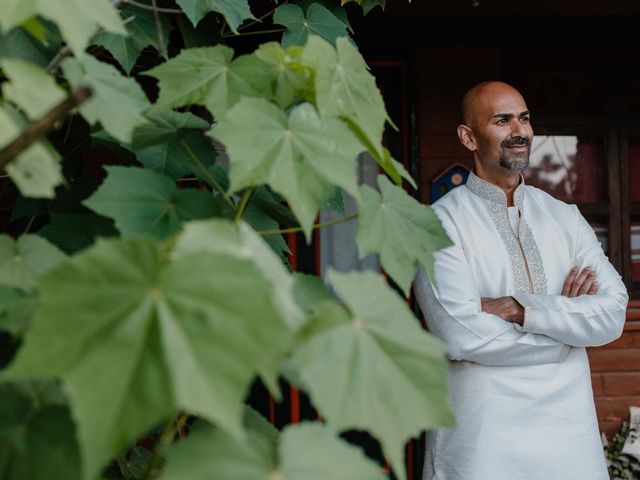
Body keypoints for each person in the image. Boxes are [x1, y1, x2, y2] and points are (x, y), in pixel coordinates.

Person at [413, 81, 629, 480]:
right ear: (468, 136)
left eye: (524, 118)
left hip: (570, 444)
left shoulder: (564, 217)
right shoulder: (438, 223)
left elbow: (612, 314)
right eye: (502, 120)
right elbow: (459, 335)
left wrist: (519, 309)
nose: (520, 131)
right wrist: (568, 336)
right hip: (481, 444)